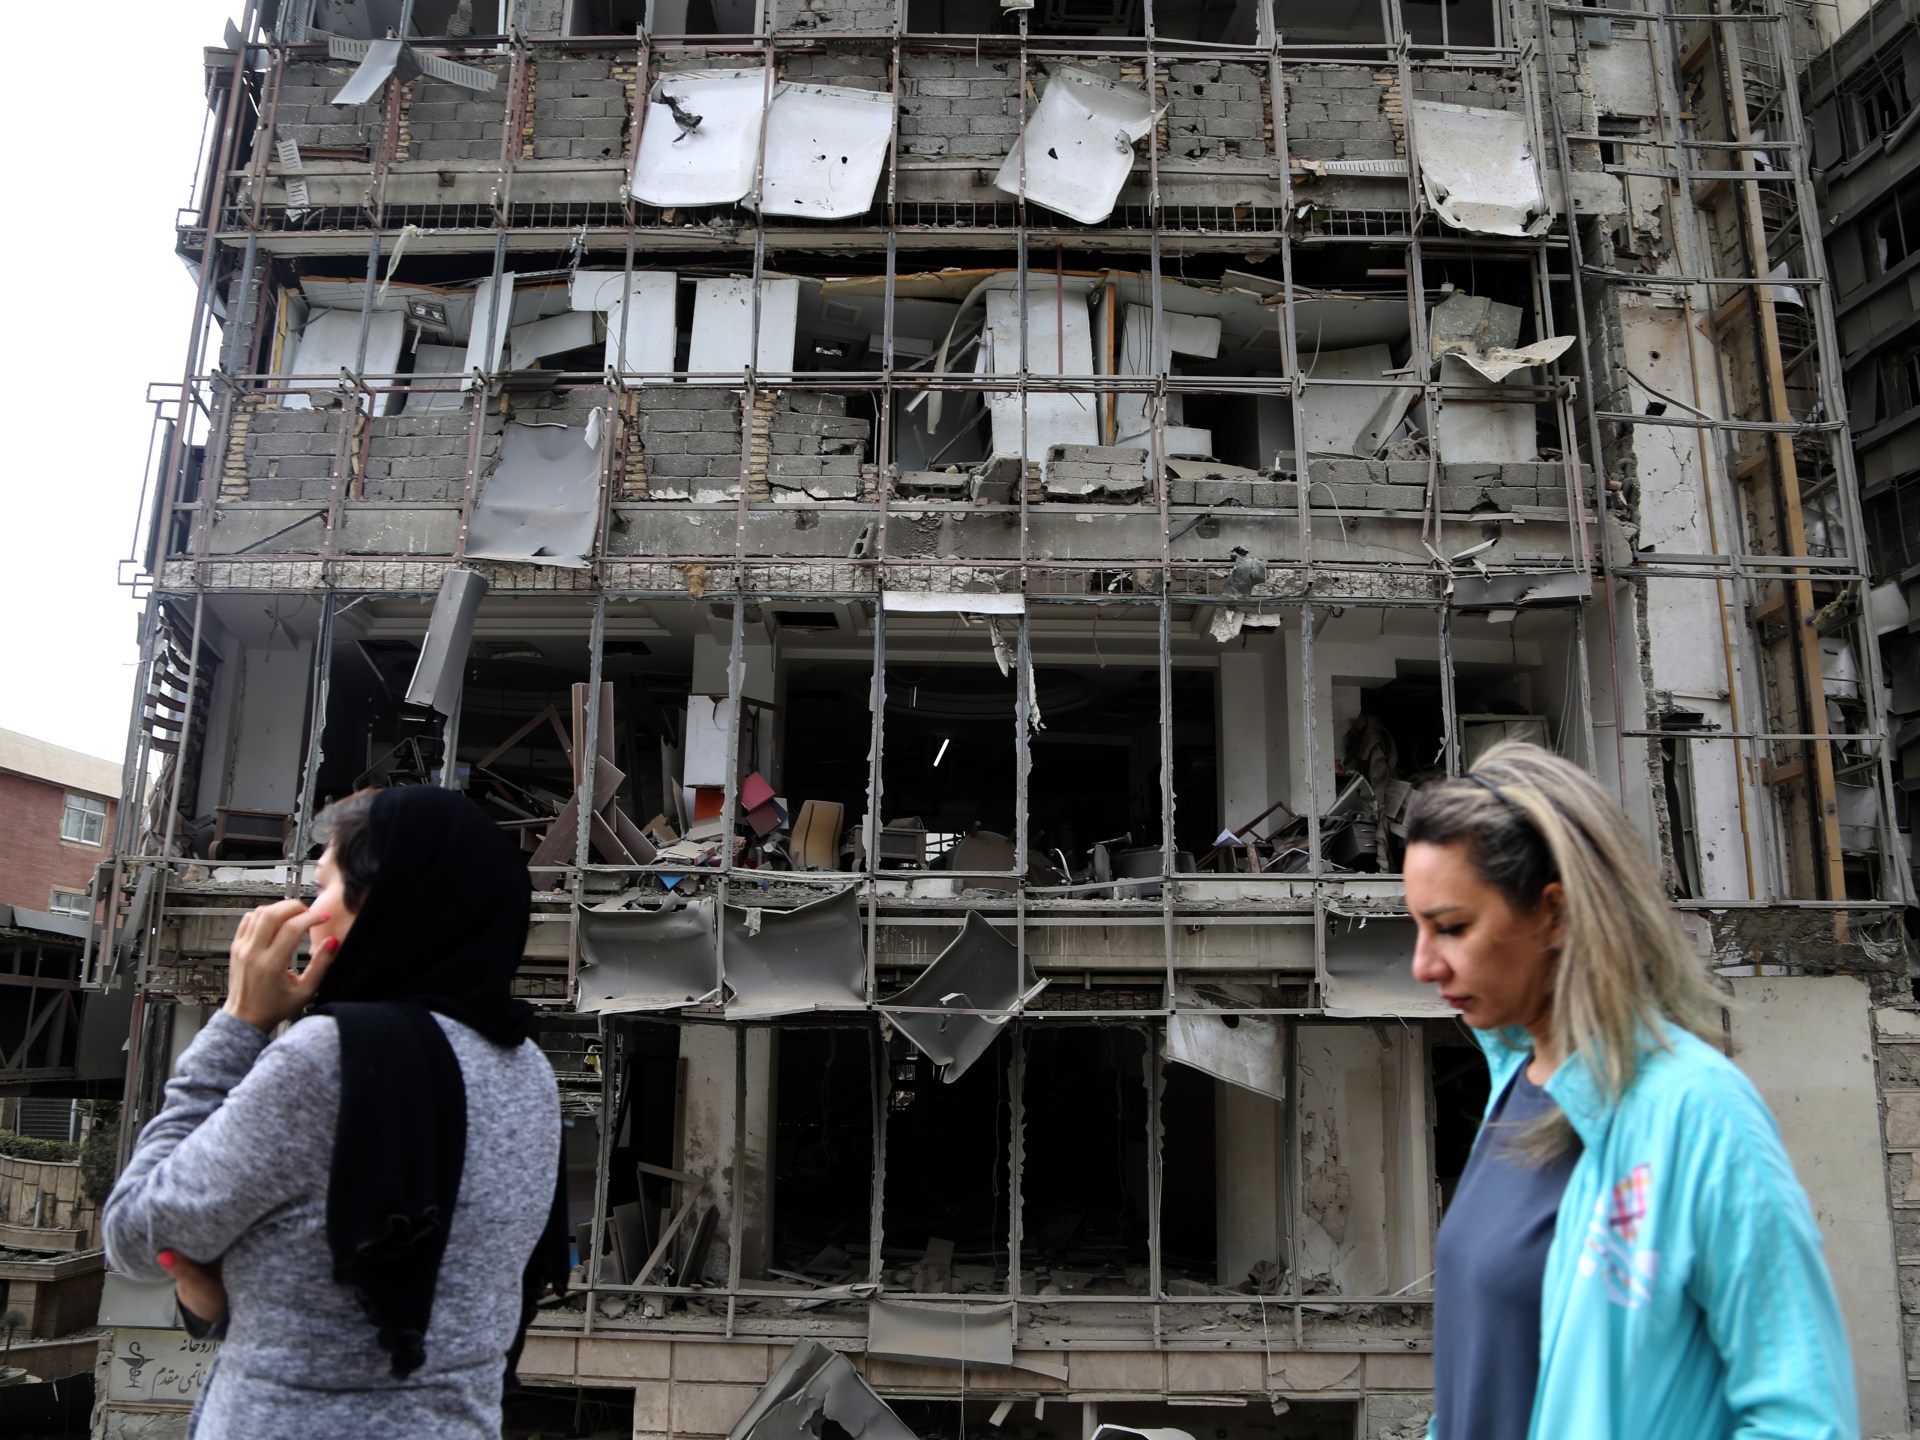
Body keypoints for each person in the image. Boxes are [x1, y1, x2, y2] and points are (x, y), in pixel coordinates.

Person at [1404, 741, 1856, 1440]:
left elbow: (1802, 1420)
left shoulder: (1697, 1111)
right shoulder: (1513, 1089)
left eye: (1452, 927)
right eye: (1418, 927)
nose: (1422, 964)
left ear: (1555, 914)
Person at [103, 786, 568, 1440]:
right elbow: (393, 1306)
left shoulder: (326, 1057)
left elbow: (133, 1234)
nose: (305, 913)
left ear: (383, 902)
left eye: (322, 887)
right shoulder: (528, 1071)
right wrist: (233, 1302)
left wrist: (238, 1023)